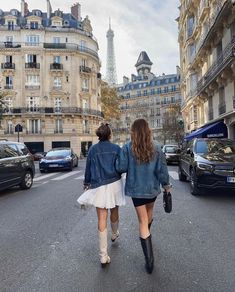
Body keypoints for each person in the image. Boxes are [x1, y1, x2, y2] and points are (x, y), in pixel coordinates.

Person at [116, 118, 171, 274]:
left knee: (143, 220)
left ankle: (149, 261)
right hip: (152, 189)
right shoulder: (157, 148)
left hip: (137, 189)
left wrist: (119, 157)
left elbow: (120, 167)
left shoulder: (127, 148)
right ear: (148, 131)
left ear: (133, 132)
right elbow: (162, 172)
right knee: (148, 214)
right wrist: (167, 186)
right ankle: (146, 234)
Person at [77, 123, 125, 267]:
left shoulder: (92, 149)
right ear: (109, 135)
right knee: (115, 211)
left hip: (99, 185)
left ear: (99, 135)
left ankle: (103, 256)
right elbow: (122, 167)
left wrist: (86, 183)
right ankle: (115, 233)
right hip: (114, 184)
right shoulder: (116, 148)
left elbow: (88, 169)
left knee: (101, 218)